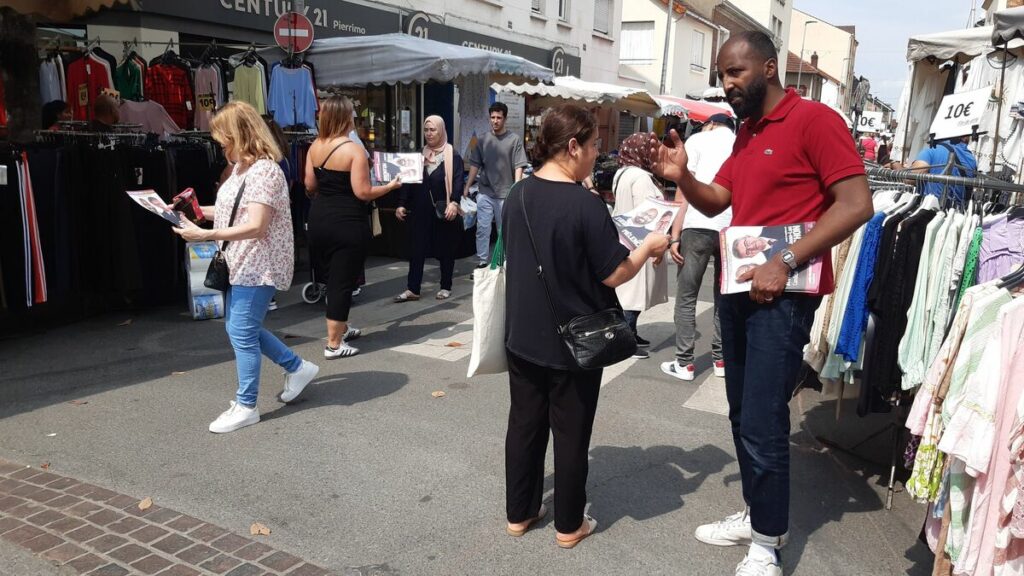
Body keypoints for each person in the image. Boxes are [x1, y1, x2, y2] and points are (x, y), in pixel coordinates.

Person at [649, 31, 872, 576]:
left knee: (766, 418)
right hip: (737, 287)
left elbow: (857, 203)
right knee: (742, 412)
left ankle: (768, 544)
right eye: (723, 74)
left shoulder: (816, 121)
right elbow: (720, 199)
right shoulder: (745, 132)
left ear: (770, 68)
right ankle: (757, 515)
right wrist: (684, 178)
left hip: (783, 296)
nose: (727, 84)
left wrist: (789, 259)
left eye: (735, 72)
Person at [503, 105, 669, 549]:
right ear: (572, 146)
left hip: (522, 334)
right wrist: (650, 244)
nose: (599, 153)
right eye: (595, 145)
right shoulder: (585, 204)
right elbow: (614, 273)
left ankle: (519, 513)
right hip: (575, 342)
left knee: (524, 425)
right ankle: (568, 525)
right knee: (571, 434)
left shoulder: (516, 195)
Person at [172, 101, 320, 434]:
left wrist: (205, 233)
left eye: (223, 136)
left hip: (259, 263)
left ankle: (247, 404)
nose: (219, 143)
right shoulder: (243, 168)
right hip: (244, 261)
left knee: (240, 330)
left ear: (239, 133)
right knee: (243, 328)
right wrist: (192, 210)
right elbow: (233, 210)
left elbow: (256, 225)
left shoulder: (264, 170)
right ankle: (296, 368)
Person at [304, 96, 400, 359]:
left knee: (331, 277)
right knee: (341, 282)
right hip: (346, 221)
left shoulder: (315, 147)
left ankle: (342, 326)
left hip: (319, 218)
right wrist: (390, 187)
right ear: (346, 118)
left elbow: (310, 186)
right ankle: (334, 344)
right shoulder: (354, 150)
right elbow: (363, 191)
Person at [663, 112, 735, 382]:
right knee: (724, 297)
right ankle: (721, 360)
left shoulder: (697, 141)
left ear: (711, 124)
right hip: (731, 227)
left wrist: (675, 234)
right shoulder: (741, 143)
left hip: (697, 222)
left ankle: (685, 363)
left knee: (686, 296)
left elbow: (683, 190)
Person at [610, 133, 670, 359]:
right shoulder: (641, 177)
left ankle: (631, 334)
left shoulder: (622, 173)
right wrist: (656, 247)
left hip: (626, 238)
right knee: (633, 294)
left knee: (630, 290)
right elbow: (650, 211)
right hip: (642, 240)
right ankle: (625, 340)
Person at [394, 115, 465, 302]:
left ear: (441, 130)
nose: (429, 133)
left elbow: (458, 181)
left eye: (433, 130)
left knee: (445, 249)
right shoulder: (419, 155)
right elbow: (408, 182)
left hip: (443, 210)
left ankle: (445, 286)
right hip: (420, 210)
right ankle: (413, 288)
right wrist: (401, 203)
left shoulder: (452, 155)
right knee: (416, 249)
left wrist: (454, 202)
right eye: (426, 130)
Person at [464, 102, 530, 268]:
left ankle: (504, 262)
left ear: (505, 119)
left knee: (504, 230)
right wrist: (467, 186)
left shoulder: (514, 140)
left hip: (506, 193)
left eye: (499, 117)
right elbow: (474, 165)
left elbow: (519, 166)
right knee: (483, 228)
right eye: (492, 117)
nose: (495, 121)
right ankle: (482, 261)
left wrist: (516, 189)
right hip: (485, 191)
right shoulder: (482, 140)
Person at [910, 135, 978, 206]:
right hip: (956, 212)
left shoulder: (931, 150)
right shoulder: (971, 159)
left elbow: (911, 179)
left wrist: (899, 169)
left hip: (929, 209)